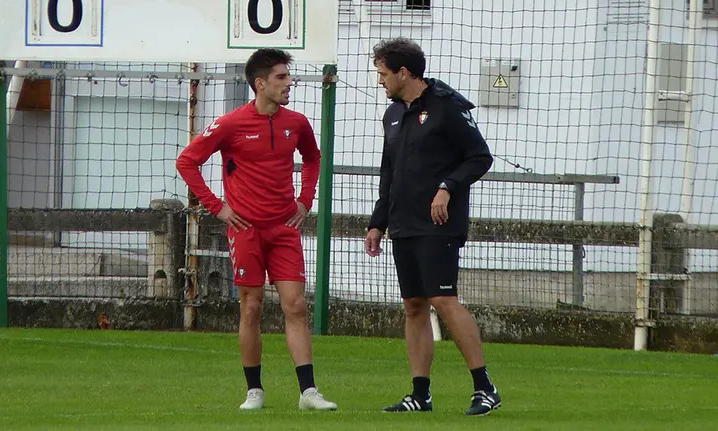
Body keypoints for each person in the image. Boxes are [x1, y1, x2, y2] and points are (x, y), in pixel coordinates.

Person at [176, 48, 337, 412]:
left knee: (296, 305)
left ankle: (309, 392)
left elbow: (313, 157)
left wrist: (305, 200)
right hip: (245, 230)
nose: (289, 83)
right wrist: (217, 207)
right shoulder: (230, 124)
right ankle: (254, 391)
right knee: (251, 308)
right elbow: (187, 162)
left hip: (284, 229)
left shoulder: (297, 123)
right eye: (281, 77)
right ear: (260, 83)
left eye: (288, 76)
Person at [365, 37, 502, 415]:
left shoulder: (447, 107)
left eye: (383, 74)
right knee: (413, 305)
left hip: (439, 224)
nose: (380, 81)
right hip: (403, 223)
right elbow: (389, 172)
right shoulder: (393, 114)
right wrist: (378, 222)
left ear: (403, 72)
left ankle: (485, 387)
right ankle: (420, 395)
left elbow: (479, 157)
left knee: (443, 300)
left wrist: (447, 188)